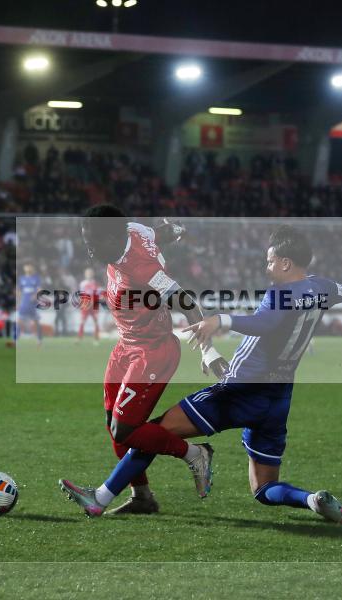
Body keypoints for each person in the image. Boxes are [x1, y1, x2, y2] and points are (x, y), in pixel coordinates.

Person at [61, 225, 342, 523]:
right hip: (278, 398)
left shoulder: (279, 295)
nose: (266, 264)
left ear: (286, 263)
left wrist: (220, 321)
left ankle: (102, 498)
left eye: (270, 260)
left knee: (152, 430)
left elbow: (263, 323)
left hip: (239, 391)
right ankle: (311, 500)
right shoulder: (323, 288)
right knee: (264, 488)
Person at [59, 205, 228, 516]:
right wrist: (174, 231)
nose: (89, 250)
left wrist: (208, 349)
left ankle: (195, 453)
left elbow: (186, 300)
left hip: (153, 352)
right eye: (85, 242)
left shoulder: (143, 269)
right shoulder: (134, 229)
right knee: (113, 425)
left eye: (93, 242)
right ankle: (142, 498)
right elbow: (157, 234)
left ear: (112, 237)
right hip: (126, 346)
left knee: (125, 429)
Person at [77, 267, 101, 344]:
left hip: (94, 303)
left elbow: (97, 294)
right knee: (82, 321)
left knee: (96, 321)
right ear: (85, 274)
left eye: (90, 273)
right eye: (88, 273)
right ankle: (79, 338)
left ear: (93, 274)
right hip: (85, 303)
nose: (89, 274)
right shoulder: (83, 283)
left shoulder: (95, 283)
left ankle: (96, 339)